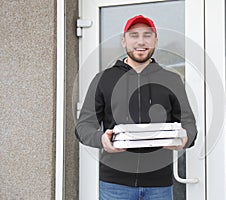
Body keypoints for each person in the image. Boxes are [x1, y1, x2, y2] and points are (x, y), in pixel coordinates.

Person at [75, 15, 197, 200]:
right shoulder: (103, 79)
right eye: (134, 35)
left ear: (155, 40)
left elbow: (189, 123)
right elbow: (83, 127)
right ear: (124, 41)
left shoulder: (171, 80)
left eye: (147, 35)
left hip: (159, 186)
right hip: (114, 185)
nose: (141, 41)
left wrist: (185, 138)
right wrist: (101, 139)